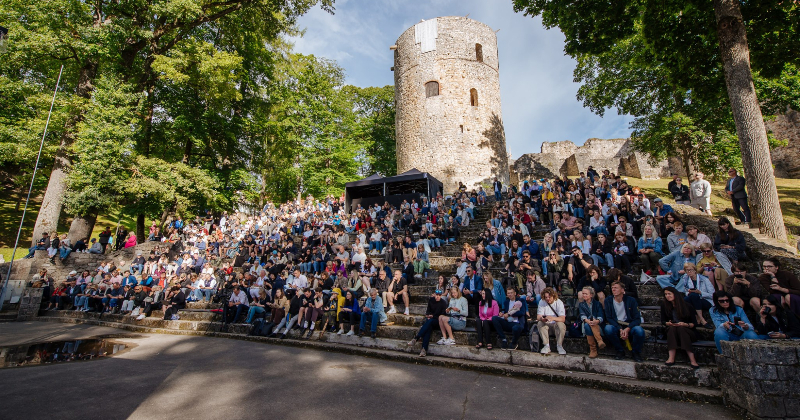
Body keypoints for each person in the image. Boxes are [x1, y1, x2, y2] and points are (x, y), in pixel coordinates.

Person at [603, 281, 645, 361]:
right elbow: (609, 318)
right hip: (617, 325)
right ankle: (620, 350)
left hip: (629, 324)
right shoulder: (608, 300)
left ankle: (636, 352)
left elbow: (637, 319)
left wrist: (628, 328)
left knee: (639, 331)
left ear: (622, 290)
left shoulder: (631, 300)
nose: (613, 289)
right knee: (608, 329)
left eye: (616, 288)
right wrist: (619, 328)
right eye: (612, 288)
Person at [660, 287, 700, 368]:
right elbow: (663, 321)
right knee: (672, 328)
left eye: (669, 294)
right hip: (673, 330)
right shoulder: (664, 306)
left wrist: (685, 324)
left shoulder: (687, 306)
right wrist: (669, 323)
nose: (667, 296)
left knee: (681, 329)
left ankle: (692, 359)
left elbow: (694, 324)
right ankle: (671, 357)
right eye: (666, 294)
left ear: (675, 294)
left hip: (687, 330)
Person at [407, 289, 448, 357]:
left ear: (441, 296)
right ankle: (424, 350)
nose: (437, 297)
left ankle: (416, 338)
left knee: (430, 322)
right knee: (428, 328)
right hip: (430, 320)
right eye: (436, 295)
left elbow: (442, 316)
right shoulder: (431, 300)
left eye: (439, 295)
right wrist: (428, 315)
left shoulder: (443, 303)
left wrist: (433, 316)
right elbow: (428, 311)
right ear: (434, 294)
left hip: (438, 321)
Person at [674, 262, 715, 328]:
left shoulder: (704, 279)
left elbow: (712, 295)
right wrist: (689, 293)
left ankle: (700, 319)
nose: (689, 271)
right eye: (687, 270)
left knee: (694, 295)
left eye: (691, 270)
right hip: (694, 300)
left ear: (695, 270)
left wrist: (700, 292)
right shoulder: (685, 279)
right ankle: (700, 319)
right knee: (687, 298)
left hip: (706, 300)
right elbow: (686, 292)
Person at [536, 287, 566, 355]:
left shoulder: (559, 302)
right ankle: (546, 345)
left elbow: (562, 318)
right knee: (540, 323)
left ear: (553, 295)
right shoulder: (542, 301)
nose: (547, 299)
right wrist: (542, 319)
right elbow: (538, 316)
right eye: (546, 297)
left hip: (555, 324)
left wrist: (553, 318)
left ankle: (559, 345)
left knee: (561, 325)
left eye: (549, 297)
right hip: (547, 325)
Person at [578, 286, 605, 358]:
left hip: (598, 326)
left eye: (586, 294)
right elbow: (582, 315)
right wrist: (587, 320)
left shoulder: (597, 304)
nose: (584, 295)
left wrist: (597, 321)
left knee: (591, 322)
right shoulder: (581, 304)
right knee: (587, 324)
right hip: (587, 325)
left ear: (591, 295)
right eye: (583, 293)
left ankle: (593, 349)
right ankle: (598, 342)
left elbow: (601, 315)